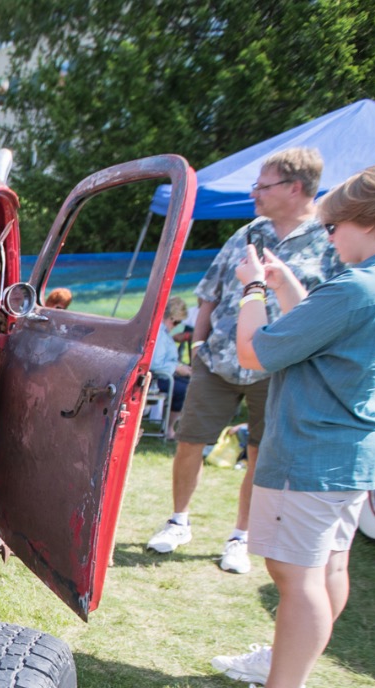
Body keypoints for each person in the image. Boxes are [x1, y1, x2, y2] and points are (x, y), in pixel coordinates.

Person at [205, 162, 375, 688]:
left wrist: (255, 288)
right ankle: (286, 664)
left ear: (365, 220)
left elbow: (257, 351)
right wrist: (288, 285)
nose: (330, 237)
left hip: (313, 445)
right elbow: (330, 326)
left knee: (293, 572)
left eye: (333, 226)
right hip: (360, 445)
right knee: (329, 564)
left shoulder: (358, 287)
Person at [146, 147, 342, 573]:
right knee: (190, 442)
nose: (254, 192)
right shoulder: (249, 232)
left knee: (259, 454)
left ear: (295, 188)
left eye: (262, 185)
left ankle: (241, 536)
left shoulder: (329, 243)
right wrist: (197, 348)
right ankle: (178, 521)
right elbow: (209, 292)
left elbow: (325, 311)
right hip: (218, 364)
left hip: (276, 370)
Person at [147, 296, 190, 422]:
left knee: (189, 384)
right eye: (177, 322)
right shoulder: (160, 334)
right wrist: (177, 368)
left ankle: (170, 424)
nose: (177, 326)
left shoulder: (162, 331)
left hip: (160, 377)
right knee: (185, 389)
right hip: (156, 379)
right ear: (171, 318)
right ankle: (169, 427)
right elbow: (154, 364)